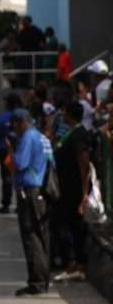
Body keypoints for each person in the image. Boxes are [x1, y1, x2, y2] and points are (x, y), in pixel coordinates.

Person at [9, 108, 54, 296]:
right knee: (42, 235)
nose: (14, 129)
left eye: (15, 125)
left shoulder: (28, 137)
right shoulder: (42, 138)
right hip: (42, 190)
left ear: (22, 122)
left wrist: (11, 152)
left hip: (30, 191)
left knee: (31, 235)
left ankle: (36, 282)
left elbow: (19, 163)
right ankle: (43, 279)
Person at [49, 101, 94, 280]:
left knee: (72, 226)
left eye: (64, 111)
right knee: (62, 224)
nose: (62, 114)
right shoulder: (69, 132)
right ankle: (72, 263)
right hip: (64, 188)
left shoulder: (79, 135)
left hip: (74, 189)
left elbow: (84, 165)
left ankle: (77, 265)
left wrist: (84, 193)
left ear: (69, 113)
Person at [0, 93, 21, 214]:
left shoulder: (1, 118)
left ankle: (6, 204)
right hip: (19, 150)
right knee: (19, 175)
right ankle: (20, 204)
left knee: (6, 177)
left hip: (4, 151)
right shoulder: (21, 116)